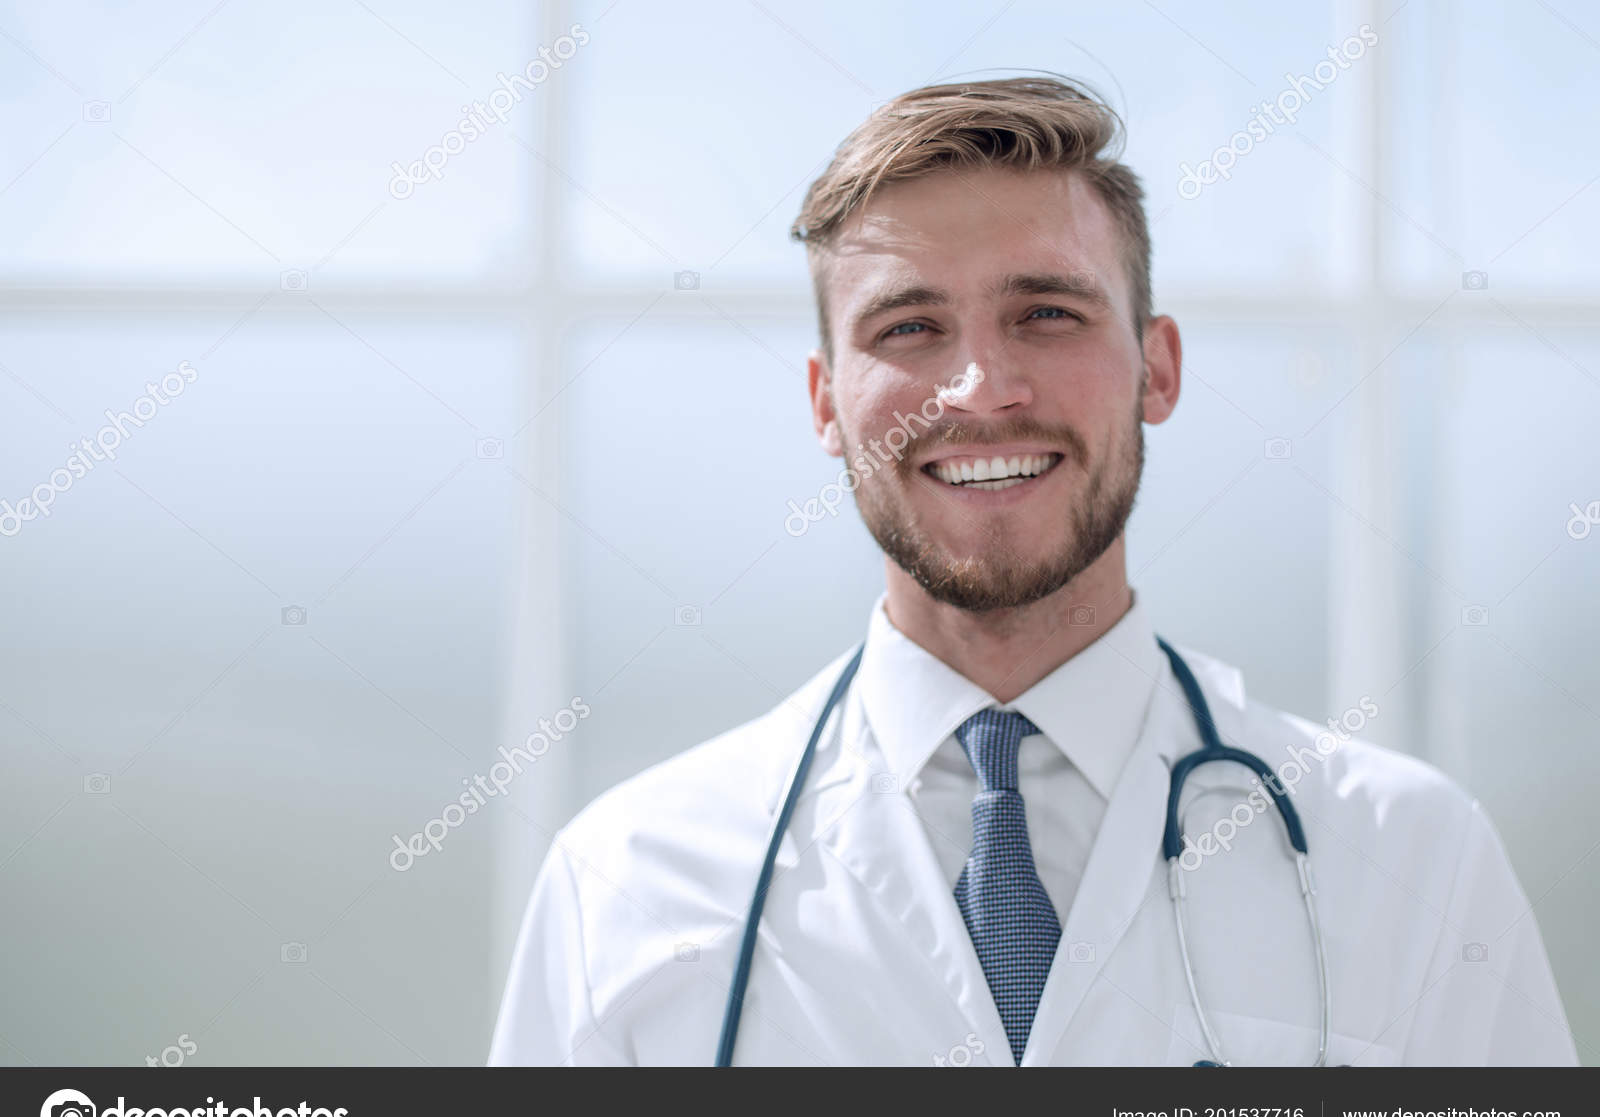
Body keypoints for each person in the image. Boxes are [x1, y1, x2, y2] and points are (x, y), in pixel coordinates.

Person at [488, 77, 1577, 1066]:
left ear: (1156, 368)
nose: (980, 389)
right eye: (909, 326)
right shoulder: (630, 883)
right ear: (825, 404)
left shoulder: (1409, 861)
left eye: (1046, 313)